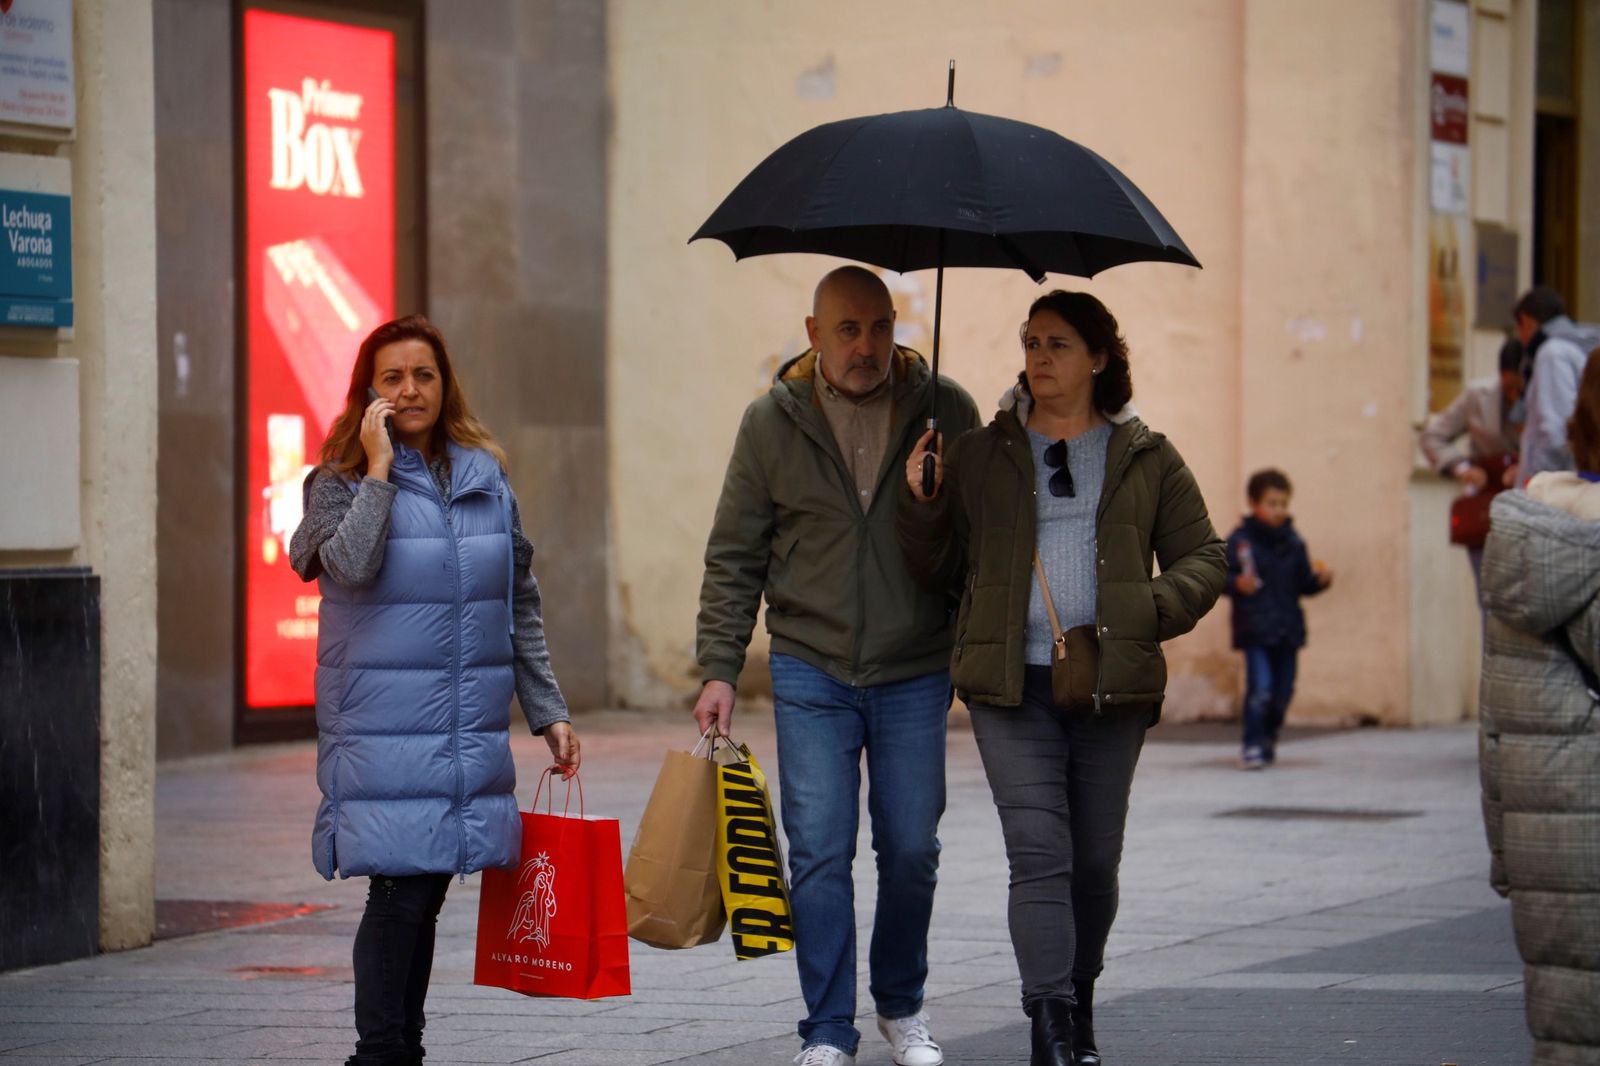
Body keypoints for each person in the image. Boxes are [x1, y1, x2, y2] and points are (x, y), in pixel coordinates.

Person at [897, 290, 1225, 1066]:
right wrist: (922, 503)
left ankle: (1078, 1003)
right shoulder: (982, 452)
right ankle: (1049, 1024)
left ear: (1100, 358)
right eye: (1032, 342)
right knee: (1038, 852)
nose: (1040, 358)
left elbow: (1205, 560)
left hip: (1112, 688)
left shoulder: (1146, 455)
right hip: (1012, 688)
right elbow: (935, 568)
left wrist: (1140, 608)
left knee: (1094, 863)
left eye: (1059, 344)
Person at [693, 265, 980, 1066]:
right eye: (848, 330)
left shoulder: (945, 410)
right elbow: (733, 556)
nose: (867, 346)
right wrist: (719, 666)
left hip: (914, 665)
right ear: (813, 334)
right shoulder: (770, 425)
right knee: (819, 850)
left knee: (913, 847)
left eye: (880, 327)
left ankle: (901, 1005)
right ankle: (826, 1027)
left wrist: (933, 505)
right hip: (810, 666)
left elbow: (977, 548)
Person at [289, 315, 580, 1066]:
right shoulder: (337, 483)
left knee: (426, 893)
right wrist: (379, 471)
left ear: (444, 384)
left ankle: (400, 1051)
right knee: (398, 893)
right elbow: (348, 566)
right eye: (392, 377)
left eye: (423, 374)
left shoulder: (485, 477)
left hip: (462, 725)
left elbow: (518, 598)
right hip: (382, 726)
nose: (410, 389)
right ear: (368, 392)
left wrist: (546, 709)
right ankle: (379, 1054)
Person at [1479, 348, 1600, 1064]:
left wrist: (1505, 855)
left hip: (1544, 845)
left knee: (1568, 1035)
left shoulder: (1526, 537)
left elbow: (1495, 723)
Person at [1221, 469, 1332, 770]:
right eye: (1271, 503)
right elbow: (1218, 576)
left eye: (1283, 503)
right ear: (1253, 503)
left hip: (1287, 628)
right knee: (1261, 689)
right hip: (1255, 628)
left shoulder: (1293, 542)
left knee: (1283, 692)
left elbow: (1303, 583)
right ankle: (1252, 743)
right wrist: (1234, 584)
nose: (1278, 510)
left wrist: (1320, 580)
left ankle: (1269, 736)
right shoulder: (1240, 541)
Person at [1418, 337, 1523, 593]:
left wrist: (1528, 466)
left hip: (1526, 504)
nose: (1513, 396)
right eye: (1508, 387)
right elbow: (1432, 436)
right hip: (1486, 505)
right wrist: (1463, 468)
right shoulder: (1478, 395)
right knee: (1489, 595)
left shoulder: (1545, 397)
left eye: (1519, 389)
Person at [1513, 285, 1596, 482]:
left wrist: (1539, 482)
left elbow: (1555, 431)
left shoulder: (1553, 353)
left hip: (1555, 490)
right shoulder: (1585, 345)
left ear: (1525, 321)